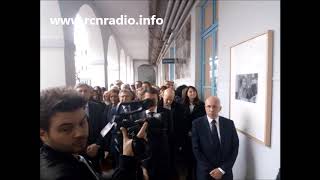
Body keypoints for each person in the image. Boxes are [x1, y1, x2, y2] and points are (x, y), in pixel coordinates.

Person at [40, 87, 148, 180]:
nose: (80, 133)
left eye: (82, 122)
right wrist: (128, 164)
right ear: (42, 134)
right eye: (66, 129)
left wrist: (128, 159)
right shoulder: (60, 176)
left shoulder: (68, 153)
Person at [192, 96, 239, 180]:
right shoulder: (197, 124)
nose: (211, 109)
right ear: (205, 107)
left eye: (214, 106)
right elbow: (196, 150)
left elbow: (234, 148)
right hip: (205, 173)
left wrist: (221, 170)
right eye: (208, 106)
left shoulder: (229, 124)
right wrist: (213, 171)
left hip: (225, 173)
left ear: (220, 108)